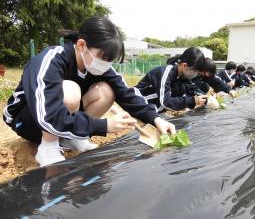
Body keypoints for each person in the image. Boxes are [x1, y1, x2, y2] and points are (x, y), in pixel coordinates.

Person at [3, 16, 175, 167]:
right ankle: (48, 147)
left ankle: (74, 137)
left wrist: (157, 119)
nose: (106, 64)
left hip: (59, 118)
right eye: (103, 57)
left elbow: (128, 94)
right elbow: (47, 116)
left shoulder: (99, 67)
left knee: (106, 91)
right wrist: (103, 125)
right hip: (28, 121)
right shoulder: (52, 60)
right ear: (81, 45)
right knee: (70, 91)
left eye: (111, 60)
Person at [135, 47, 208, 112]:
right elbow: (165, 102)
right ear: (185, 66)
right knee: (176, 88)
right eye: (195, 71)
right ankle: (154, 112)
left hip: (156, 106)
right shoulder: (166, 72)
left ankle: (158, 111)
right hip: (140, 101)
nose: (196, 74)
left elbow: (193, 88)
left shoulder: (182, 76)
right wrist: (192, 101)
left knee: (181, 87)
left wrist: (205, 98)